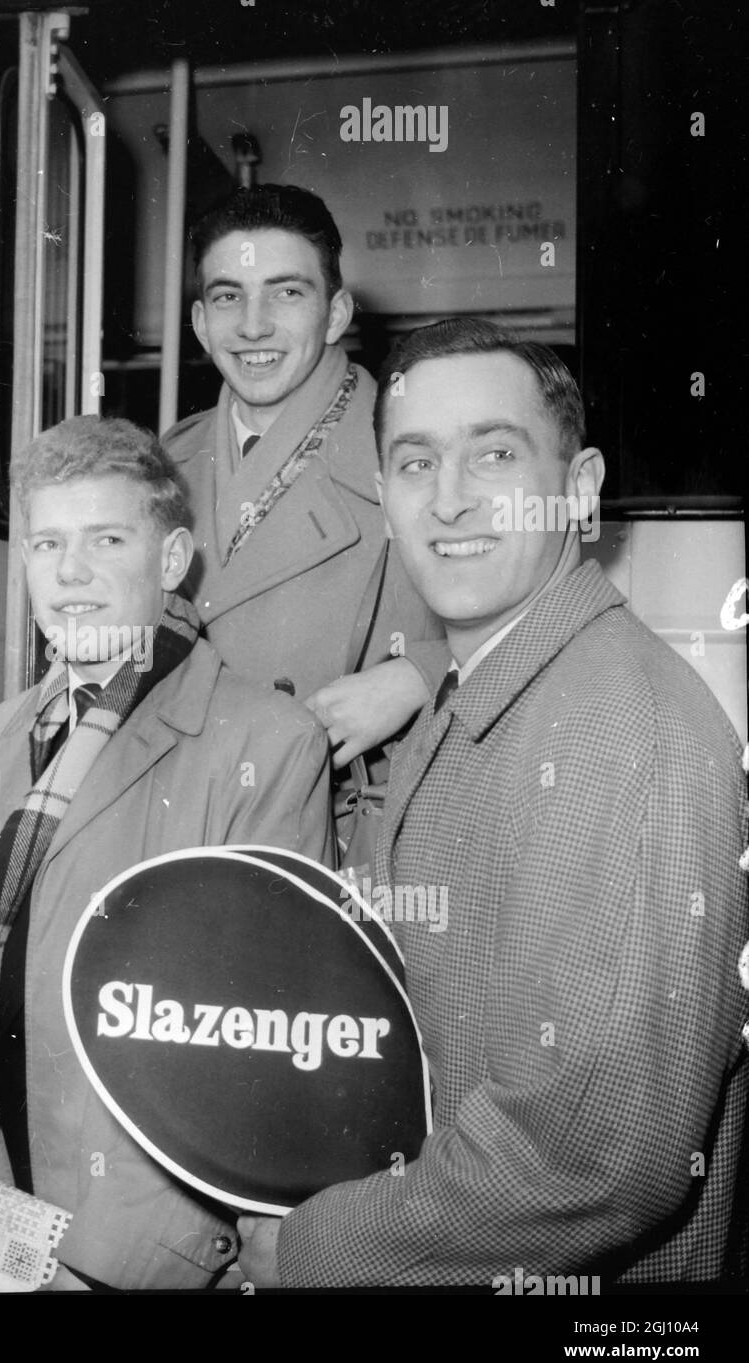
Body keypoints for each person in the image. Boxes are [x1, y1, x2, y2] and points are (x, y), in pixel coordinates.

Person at [237, 317, 749, 1286]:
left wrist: (313, 1245)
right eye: (416, 461)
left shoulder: (617, 734)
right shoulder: (473, 692)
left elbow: (587, 1155)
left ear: (580, 488)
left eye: (496, 454)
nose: (452, 499)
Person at [0, 415, 331, 1290]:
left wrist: (103, 1272)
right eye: (47, 542)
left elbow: (253, 1063)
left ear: (170, 562)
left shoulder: (267, 743)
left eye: (107, 539)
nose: (71, 572)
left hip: (142, 1254)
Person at [163, 183, 449, 769]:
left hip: (349, 817)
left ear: (335, 314)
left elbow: (536, 618)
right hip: (195, 801)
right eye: (226, 298)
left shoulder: (420, 446)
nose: (253, 327)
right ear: (198, 322)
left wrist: (420, 677)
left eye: (286, 293)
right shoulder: (166, 460)